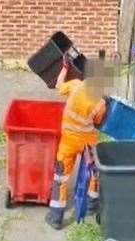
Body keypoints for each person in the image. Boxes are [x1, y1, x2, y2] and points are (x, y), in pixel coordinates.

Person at [45, 54, 108, 230]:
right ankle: (91, 206)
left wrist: (65, 68)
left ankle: (56, 217)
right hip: (87, 143)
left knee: (61, 177)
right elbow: (98, 121)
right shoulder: (100, 102)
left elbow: (58, 86)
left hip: (69, 142)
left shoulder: (75, 86)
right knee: (93, 172)